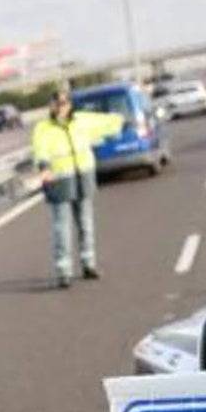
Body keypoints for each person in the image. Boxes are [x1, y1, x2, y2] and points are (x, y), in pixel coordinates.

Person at [31, 89, 124, 289]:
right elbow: (41, 151)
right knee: (62, 227)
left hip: (83, 177)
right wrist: (44, 168)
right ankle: (63, 271)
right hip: (59, 180)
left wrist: (123, 118)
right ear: (51, 105)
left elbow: (108, 123)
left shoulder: (81, 121)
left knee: (86, 223)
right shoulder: (43, 128)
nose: (61, 107)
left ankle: (88, 264)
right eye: (57, 103)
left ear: (70, 104)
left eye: (64, 103)